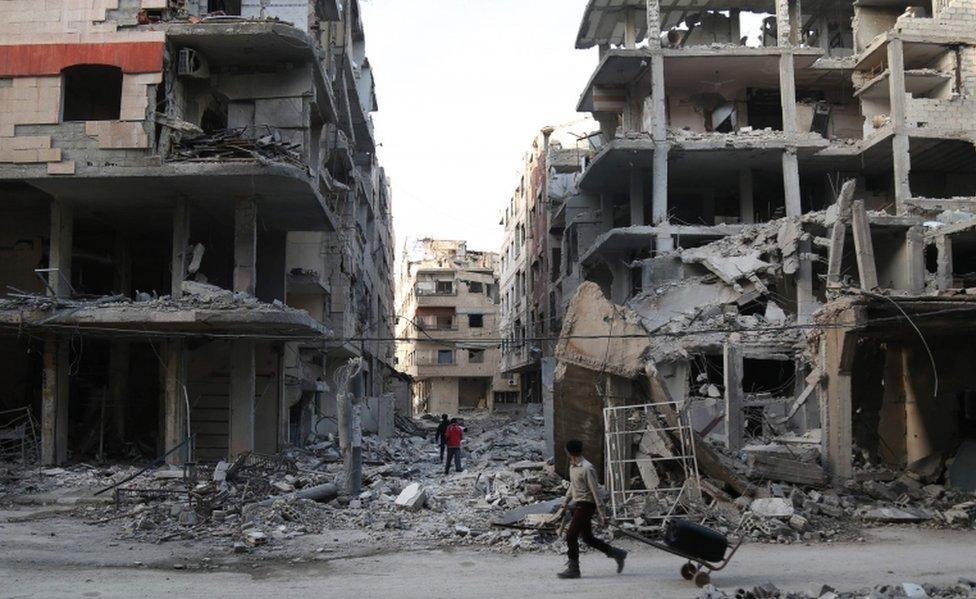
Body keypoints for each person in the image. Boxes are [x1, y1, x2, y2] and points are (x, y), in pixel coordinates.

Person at [557, 439, 627, 579]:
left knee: (571, 536)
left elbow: (595, 492)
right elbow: (573, 485)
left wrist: (602, 514)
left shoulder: (587, 468)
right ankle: (617, 554)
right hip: (578, 504)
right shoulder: (573, 467)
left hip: (587, 505)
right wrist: (565, 501)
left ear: (570, 453)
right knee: (588, 538)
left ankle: (574, 569)